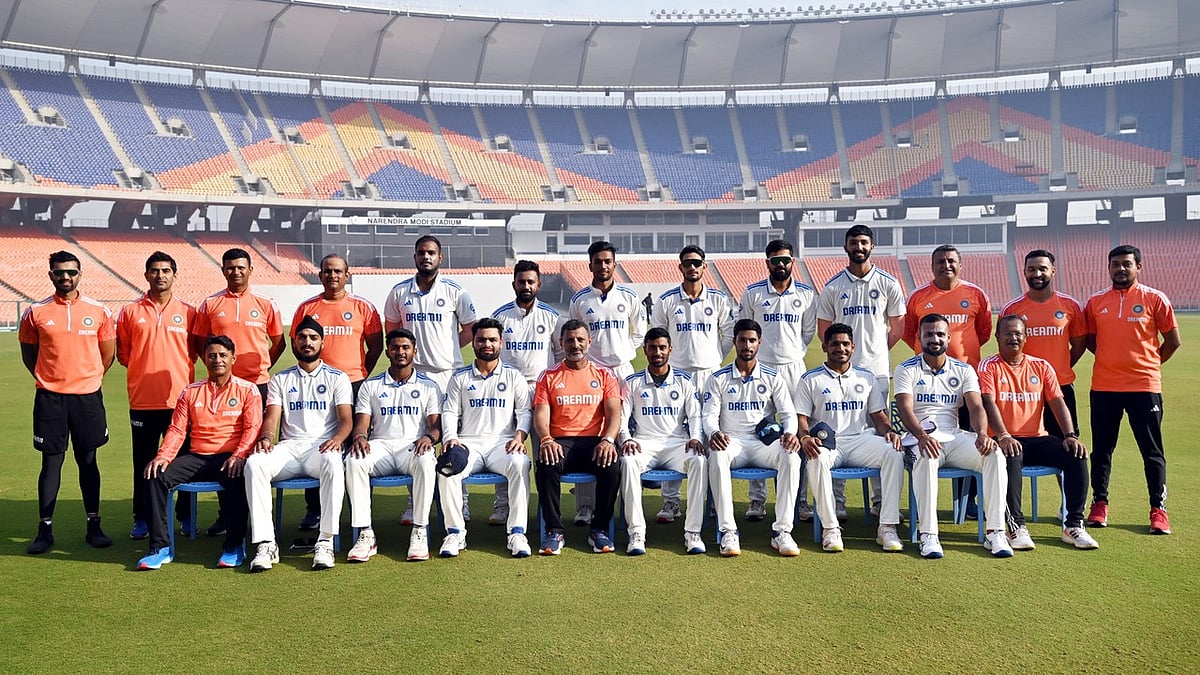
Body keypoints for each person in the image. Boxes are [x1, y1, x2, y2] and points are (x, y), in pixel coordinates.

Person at [135, 336, 262, 569]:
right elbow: (177, 429)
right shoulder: (190, 392)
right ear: (204, 359)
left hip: (229, 456)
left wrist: (240, 455)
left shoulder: (248, 390)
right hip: (197, 457)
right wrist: (163, 456)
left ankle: (234, 546)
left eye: (223, 355)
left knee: (238, 475)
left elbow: (252, 428)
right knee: (155, 476)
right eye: (212, 355)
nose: (217, 360)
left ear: (233, 358)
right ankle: (160, 548)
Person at [19, 251, 117, 554]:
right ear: (51, 275)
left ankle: (94, 525)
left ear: (80, 274)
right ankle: (44, 530)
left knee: (88, 461)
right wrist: (52, 380)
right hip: (50, 399)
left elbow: (107, 354)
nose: (66, 277)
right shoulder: (35, 312)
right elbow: (29, 355)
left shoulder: (99, 311)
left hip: (87, 398)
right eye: (59, 272)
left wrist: (86, 379)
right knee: (51, 463)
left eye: (71, 272)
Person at [978, 315, 1099, 551]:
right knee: (1009, 456)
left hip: (1037, 439)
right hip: (1004, 440)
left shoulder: (1041, 366)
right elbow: (988, 402)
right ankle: (1016, 526)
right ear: (997, 337)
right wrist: (1003, 436)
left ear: (1026, 337)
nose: (1013, 337)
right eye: (1007, 333)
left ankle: (1073, 525)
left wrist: (1070, 435)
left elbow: (1057, 402)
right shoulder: (988, 366)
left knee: (1077, 455)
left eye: (1017, 333)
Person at [894, 313, 1009, 559]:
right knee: (926, 456)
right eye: (928, 334)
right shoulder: (906, 368)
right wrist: (923, 436)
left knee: (994, 454)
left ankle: (995, 532)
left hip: (954, 436)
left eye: (939, 334)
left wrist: (981, 434)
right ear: (919, 338)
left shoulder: (964, 370)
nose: (934, 339)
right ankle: (929, 535)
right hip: (919, 437)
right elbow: (904, 408)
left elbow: (976, 407)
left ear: (948, 337)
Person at [1084, 244, 1181, 535]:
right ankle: (1099, 504)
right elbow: (1091, 341)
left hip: (1144, 387)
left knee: (1151, 451)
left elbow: (1173, 341)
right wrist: (1111, 362)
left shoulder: (1154, 298)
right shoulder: (1095, 302)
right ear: (1109, 267)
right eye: (1115, 264)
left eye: (1127, 264)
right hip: (1104, 387)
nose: (1120, 269)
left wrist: (1149, 364)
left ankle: (1158, 509)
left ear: (1139, 267)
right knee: (1101, 450)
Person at [382, 235, 476, 524]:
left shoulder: (455, 291)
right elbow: (393, 331)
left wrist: (447, 348)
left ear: (440, 257)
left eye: (432, 253)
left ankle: (461, 500)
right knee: (416, 437)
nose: (426, 257)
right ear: (414, 257)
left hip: (449, 373)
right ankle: (414, 502)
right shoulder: (399, 292)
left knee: (454, 436)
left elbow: (471, 329)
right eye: (422, 252)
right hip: (413, 376)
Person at [244, 318, 351, 571]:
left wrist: (336, 440)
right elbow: (271, 418)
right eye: (302, 337)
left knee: (334, 462)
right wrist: (266, 438)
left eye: (313, 338)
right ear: (294, 342)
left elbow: (346, 420)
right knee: (255, 463)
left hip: (321, 446)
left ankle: (325, 541)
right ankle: (266, 543)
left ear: (322, 342)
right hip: (289, 447)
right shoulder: (280, 379)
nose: (307, 342)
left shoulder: (337, 377)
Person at [191, 247, 285, 537]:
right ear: (223, 270)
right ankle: (227, 515)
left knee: (257, 451)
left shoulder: (265, 303)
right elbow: (199, 342)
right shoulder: (210, 304)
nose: (236, 272)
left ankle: (258, 516)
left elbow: (278, 341)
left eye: (241, 267)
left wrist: (260, 365)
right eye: (230, 267)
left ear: (250, 270)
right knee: (225, 449)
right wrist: (219, 371)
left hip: (256, 385)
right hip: (221, 388)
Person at [815, 224, 905, 521]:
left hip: (877, 373)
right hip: (839, 373)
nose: (859, 247)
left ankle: (881, 502)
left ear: (872, 246)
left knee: (881, 437)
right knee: (835, 434)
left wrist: (875, 350)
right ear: (846, 247)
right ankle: (837, 502)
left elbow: (898, 327)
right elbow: (824, 332)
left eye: (864, 242)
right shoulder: (832, 287)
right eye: (854, 242)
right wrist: (845, 356)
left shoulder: (889, 283)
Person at [290, 253, 383, 531]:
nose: (333, 276)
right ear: (320, 275)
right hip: (316, 386)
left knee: (358, 445)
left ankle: (360, 509)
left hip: (354, 384)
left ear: (347, 275)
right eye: (328, 271)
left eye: (338, 271)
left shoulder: (362, 307)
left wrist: (359, 373)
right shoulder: (307, 307)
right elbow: (297, 342)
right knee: (317, 441)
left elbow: (375, 346)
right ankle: (315, 510)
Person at [795, 323, 905, 553]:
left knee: (894, 452)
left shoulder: (866, 377)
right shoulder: (810, 379)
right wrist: (805, 438)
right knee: (815, 458)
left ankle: (887, 527)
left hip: (860, 439)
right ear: (825, 346)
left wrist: (890, 432)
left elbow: (878, 415)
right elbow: (801, 418)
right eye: (835, 344)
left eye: (845, 344)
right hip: (828, 444)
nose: (840, 348)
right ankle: (830, 528)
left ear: (853, 347)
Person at [902, 244, 992, 518]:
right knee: (930, 442)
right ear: (932, 266)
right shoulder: (919, 296)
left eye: (951, 261)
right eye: (940, 261)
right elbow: (910, 334)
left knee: (968, 437)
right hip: (927, 381)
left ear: (960, 265)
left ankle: (967, 501)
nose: (946, 265)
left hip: (966, 379)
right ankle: (928, 504)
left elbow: (984, 332)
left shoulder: (975, 294)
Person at [648, 245, 733, 524]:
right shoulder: (667, 301)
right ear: (680, 266)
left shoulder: (718, 299)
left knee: (709, 435)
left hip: (709, 374)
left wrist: (713, 357)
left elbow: (729, 334)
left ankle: (707, 500)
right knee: (675, 433)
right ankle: (671, 503)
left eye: (697, 262)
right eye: (687, 263)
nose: (692, 267)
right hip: (677, 374)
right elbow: (658, 334)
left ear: (704, 266)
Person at [435, 318, 533, 558]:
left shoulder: (514, 376)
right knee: (448, 469)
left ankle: (517, 532)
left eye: (492, 339)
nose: (486, 344)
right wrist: (450, 437)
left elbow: (524, 412)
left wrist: (520, 437)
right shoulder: (460, 378)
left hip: (503, 443)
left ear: (501, 342)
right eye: (481, 339)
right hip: (469, 443)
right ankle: (455, 533)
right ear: (473, 343)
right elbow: (449, 411)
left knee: (521, 463)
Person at [705, 318, 803, 558]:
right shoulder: (717, 378)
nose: (746, 345)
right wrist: (714, 433)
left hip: (763, 444)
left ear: (759, 343)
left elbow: (788, 413)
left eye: (751, 341)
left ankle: (782, 531)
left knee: (791, 457)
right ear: (735, 342)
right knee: (716, 456)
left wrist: (790, 433)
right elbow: (709, 415)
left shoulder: (772, 376)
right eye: (742, 340)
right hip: (732, 442)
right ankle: (728, 531)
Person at [116, 251, 197, 540]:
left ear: (175, 275)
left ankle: (186, 516)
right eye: (154, 270)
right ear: (146, 274)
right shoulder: (129, 312)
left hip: (181, 403)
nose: (160, 275)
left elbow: (195, 352)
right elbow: (124, 355)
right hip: (142, 401)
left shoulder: (189, 312)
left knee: (183, 462)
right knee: (144, 463)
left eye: (166, 270)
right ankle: (143, 518)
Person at [344, 329, 442, 563]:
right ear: (388, 351)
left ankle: (419, 530)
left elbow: (436, 428)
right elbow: (361, 425)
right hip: (381, 446)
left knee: (427, 459)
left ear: (414, 352)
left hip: (413, 446)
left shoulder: (429, 386)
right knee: (354, 459)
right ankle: (365, 533)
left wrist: (430, 438)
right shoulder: (372, 385)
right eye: (395, 347)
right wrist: (359, 438)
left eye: (405, 347)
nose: (400, 352)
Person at [737, 239, 816, 522]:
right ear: (767, 262)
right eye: (775, 260)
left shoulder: (806, 294)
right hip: (760, 368)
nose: (780, 265)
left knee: (797, 431)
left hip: (793, 368)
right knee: (756, 429)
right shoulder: (754, 293)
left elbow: (807, 333)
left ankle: (801, 500)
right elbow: (745, 329)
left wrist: (790, 354)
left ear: (792, 262)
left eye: (785, 260)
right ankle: (757, 501)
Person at [567, 241, 644, 526]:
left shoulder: (629, 297)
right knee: (587, 433)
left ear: (615, 264)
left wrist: (622, 354)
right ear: (590, 265)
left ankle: (625, 503)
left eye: (607, 261)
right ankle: (585, 506)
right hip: (590, 374)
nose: (603, 266)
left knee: (623, 435)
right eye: (597, 261)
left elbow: (639, 334)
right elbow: (575, 336)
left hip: (622, 371)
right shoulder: (580, 301)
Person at [532, 320, 623, 556]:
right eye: (570, 340)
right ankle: (554, 530)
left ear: (589, 342)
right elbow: (541, 416)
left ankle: (599, 528)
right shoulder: (548, 375)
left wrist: (608, 440)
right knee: (545, 463)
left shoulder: (604, 374)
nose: (575, 345)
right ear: (561, 344)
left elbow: (614, 413)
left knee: (612, 465)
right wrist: (546, 440)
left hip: (595, 441)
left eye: (580, 339)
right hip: (560, 441)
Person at [618, 328, 708, 555]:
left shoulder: (685, 381)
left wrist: (696, 437)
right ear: (644, 350)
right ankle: (636, 532)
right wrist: (626, 438)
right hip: (644, 443)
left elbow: (695, 414)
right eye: (652, 348)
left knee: (699, 461)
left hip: (677, 444)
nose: (657, 352)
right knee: (627, 462)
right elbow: (621, 416)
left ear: (670, 349)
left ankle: (692, 532)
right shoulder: (632, 382)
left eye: (661, 347)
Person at [490, 259, 562, 526]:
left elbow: (561, 355)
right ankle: (502, 505)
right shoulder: (501, 316)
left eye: (531, 281)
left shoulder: (552, 317)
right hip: (507, 390)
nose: (526, 286)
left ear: (539, 284)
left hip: (541, 391)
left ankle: (547, 508)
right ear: (514, 284)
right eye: (521, 281)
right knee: (505, 446)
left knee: (545, 448)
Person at [999, 250, 1086, 438]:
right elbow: (1005, 347)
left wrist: (1061, 367)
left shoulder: (1070, 306)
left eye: (1042, 269)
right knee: (1023, 442)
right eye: (1031, 269)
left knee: (1068, 442)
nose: (1037, 274)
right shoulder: (1012, 309)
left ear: (1053, 271)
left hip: (1061, 385)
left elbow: (1080, 344)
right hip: (1024, 389)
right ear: (1024, 272)